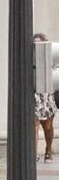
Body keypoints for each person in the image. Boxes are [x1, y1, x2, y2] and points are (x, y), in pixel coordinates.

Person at [36, 34, 57, 162]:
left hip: (47, 96)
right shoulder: (29, 59)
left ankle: (48, 149)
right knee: (34, 125)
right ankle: (33, 152)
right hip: (34, 96)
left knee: (48, 126)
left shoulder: (50, 59)